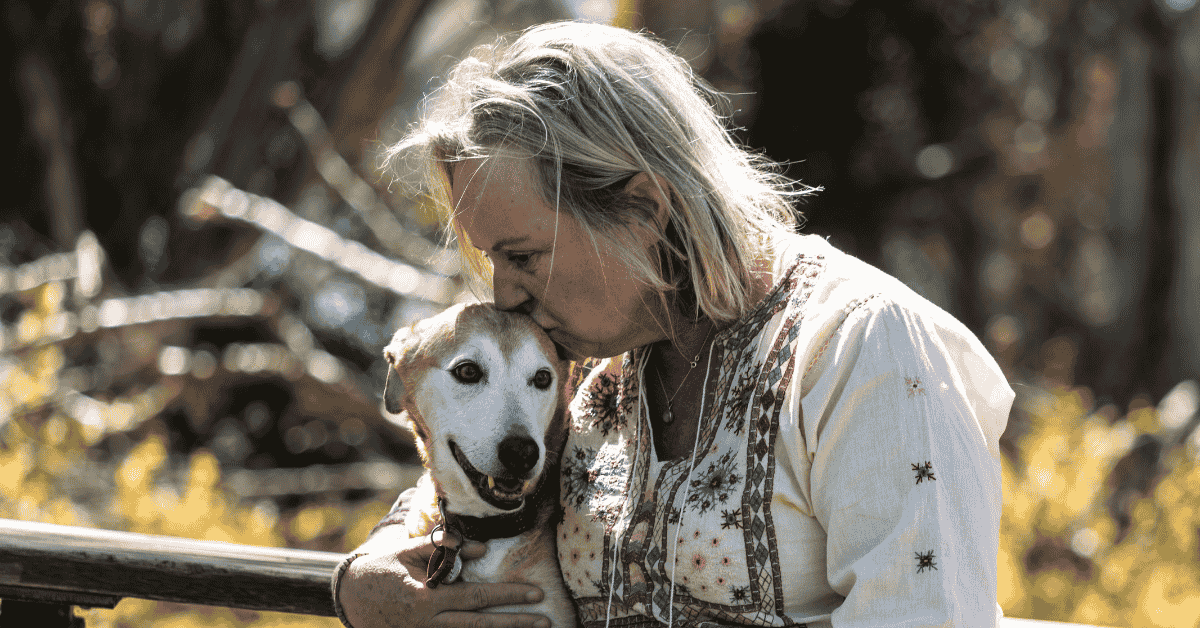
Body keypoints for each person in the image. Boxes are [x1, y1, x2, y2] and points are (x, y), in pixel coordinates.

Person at [333, 20, 1014, 628]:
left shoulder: (866, 349)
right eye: (491, 260)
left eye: (521, 256)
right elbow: (464, 477)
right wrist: (367, 573)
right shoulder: (587, 359)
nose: (506, 296)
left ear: (641, 209)